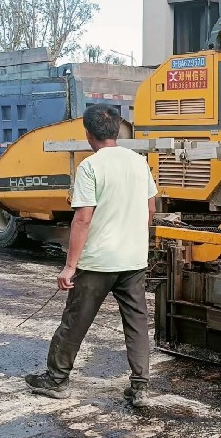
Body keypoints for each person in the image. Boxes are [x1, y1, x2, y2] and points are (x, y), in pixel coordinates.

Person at [25, 104, 157, 407]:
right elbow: (150, 209)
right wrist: (134, 240)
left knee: (76, 320)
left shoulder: (90, 167)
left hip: (99, 261)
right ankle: (140, 387)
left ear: (88, 134)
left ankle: (56, 380)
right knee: (137, 323)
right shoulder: (139, 162)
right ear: (117, 130)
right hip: (133, 260)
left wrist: (69, 266)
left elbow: (83, 219)